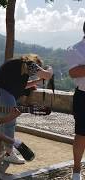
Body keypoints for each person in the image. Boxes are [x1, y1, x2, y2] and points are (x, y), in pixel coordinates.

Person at [0, 53, 53, 164]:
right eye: (38, 67)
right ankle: (9, 153)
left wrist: (36, 81)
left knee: (5, 123)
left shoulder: (17, 66)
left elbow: (22, 86)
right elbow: (47, 75)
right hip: (2, 95)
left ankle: (1, 148)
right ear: (35, 62)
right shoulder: (29, 63)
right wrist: (49, 69)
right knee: (9, 123)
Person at [66, 21, 85, 180]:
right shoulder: (76, 49)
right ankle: (77, 170)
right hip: (83, 96)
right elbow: (73, 72)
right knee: (81, 134)